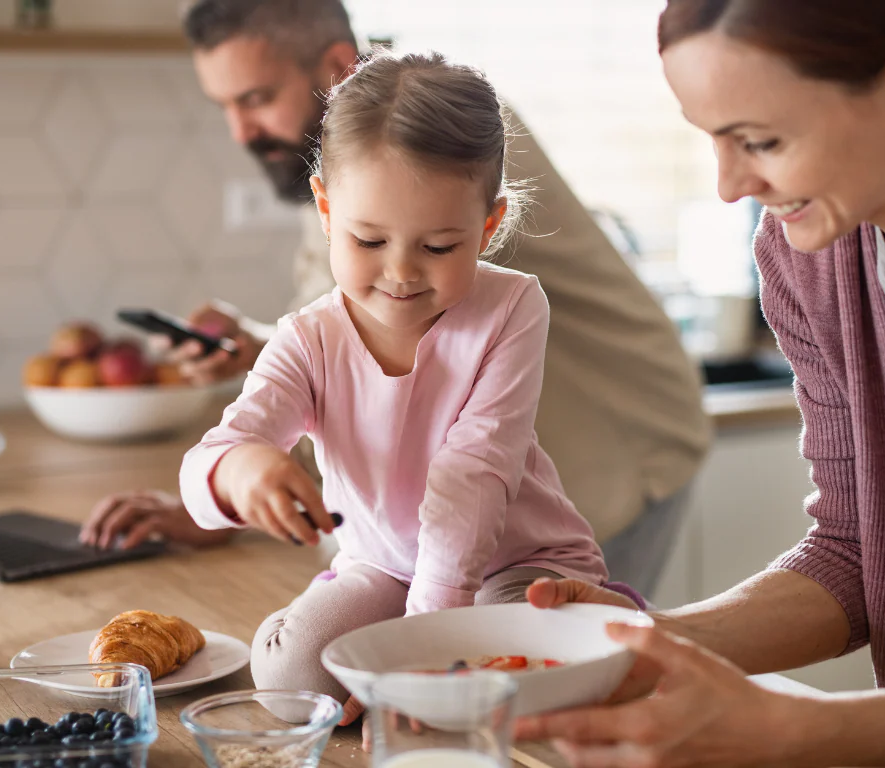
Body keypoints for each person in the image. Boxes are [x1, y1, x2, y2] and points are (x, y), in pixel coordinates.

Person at [514, 0, 885, 766]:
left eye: (760, 140)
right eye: (713, 140)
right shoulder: (809, 257)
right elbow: (857, 549)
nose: (731, 185)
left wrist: (783, 732)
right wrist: (642, 642)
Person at [80, 0, 711, 599]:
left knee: (542, 683)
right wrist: (240, 458)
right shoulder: (352, 169)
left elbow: (408, 325)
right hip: (474, 490)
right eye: (226, 105)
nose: (241, 129)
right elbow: (355, 335)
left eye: (258, 98)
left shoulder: (442, 143)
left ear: (333, 68)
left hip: (614, 446)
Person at [180, 50, 625, 725]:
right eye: (368, 240)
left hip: (514, 563)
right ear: (327, 209)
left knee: (515, 676)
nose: (401, 274)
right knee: (288, 679)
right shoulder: (306, 337)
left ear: (488, 227)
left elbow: (473, 478)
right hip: (384, 566)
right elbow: (214, 458)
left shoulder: (512, 308)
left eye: (439, 248)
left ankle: (599, 613)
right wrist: (240, 473)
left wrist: (421, 652)